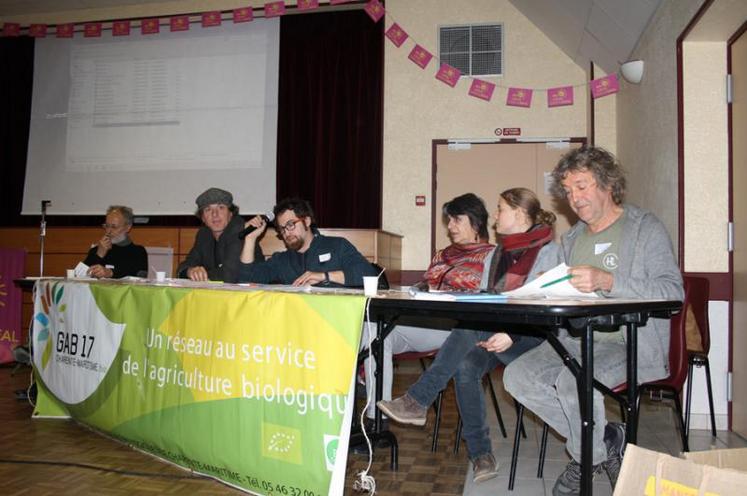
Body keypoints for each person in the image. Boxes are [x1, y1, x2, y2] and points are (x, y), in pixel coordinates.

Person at [502, 146, 684, 495]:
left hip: (629, 342)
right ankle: (602, 444)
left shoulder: (644, 228)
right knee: (517, 376)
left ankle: (586, 456)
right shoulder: (571, 239)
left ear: (607, 183)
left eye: (582, 186)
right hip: (577, 340)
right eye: (569, 191)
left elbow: (671, 291)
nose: (575, 198)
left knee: (575, 383)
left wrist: (608, 281)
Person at [377, 188, 562, 483]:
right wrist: (494, 325)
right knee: (465, 365)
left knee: (466, 326)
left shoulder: (549, 251)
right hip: (494, 331)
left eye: (501, 210)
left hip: (535, 338)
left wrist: (511, 333)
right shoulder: (497, 255)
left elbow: (546, 304)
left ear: (521, 214)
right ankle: (481, 455)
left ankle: (418, 400)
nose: (495, 217)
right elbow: (485, 300)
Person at [361, 193, 495, 427]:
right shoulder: (443, 254)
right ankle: (376, 419)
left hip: (459, 330)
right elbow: (427, 282)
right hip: (424, 322)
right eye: (449, 221)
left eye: (456, 220)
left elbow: (487, 293)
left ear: (476, 222)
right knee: (374, 331)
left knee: (376, 332)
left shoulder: (491, 255)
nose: (451, 227)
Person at [238, 197, 377, 286]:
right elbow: (246, 279)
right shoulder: (282, 260)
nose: (286, 232)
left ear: (307, 221)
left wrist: (324, 276)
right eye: (282, 229)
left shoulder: (337, 246)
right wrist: (250, 239)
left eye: (291, 224)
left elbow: (369, 275)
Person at [177, 187, 261, 283]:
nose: (215, 214)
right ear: (203, 218)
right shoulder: (203, 235)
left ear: (231, 213)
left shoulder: (240, 230)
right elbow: (186, 265)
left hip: (250, 293)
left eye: (221, 207)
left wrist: (201, 275)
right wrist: (190, 271)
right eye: (208, 209)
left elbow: (230, 275)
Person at [83, 205, 147, 278]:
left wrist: (110, 273)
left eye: (114, 227)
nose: (108, 231)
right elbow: (79, 275)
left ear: (128, 227)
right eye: (107, 226)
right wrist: (99, 255)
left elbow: (139, 275)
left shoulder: (138, 252)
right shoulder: (96, 249)